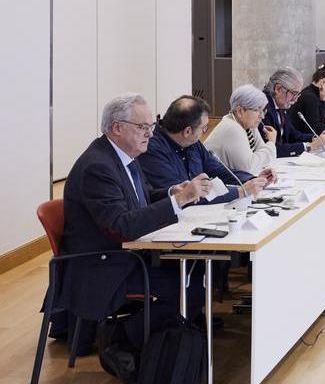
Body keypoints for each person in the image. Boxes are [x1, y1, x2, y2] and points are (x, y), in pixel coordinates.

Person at [59, 93, 207, 350]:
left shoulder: (124, 155)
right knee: (192, 286)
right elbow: (121, 226)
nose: (150, 133)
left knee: (197, 272)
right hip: (103, 264)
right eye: (142, 127)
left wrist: (172, 192)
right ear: (117, 127)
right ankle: (121, 338)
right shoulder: (98, 166)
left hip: (127, 254)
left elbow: (143, 197)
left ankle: (163, 338)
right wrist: (179, 201)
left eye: (151, 126)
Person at [141, 95, 273, 203]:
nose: (205, 132)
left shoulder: (192, 142)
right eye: (204, 128)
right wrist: (240, 191)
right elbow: (187, 197)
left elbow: (217, 169)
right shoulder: (152, 150)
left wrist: (252, 180)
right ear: (187, 131)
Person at [206, 84, 278, 177]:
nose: (262, 116)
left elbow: (264, 157)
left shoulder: (248, 125)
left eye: (263, 110)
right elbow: (249, 168)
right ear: (240, 111)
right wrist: (271, 143)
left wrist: (263, 154)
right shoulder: (232, 128)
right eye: (257, 110)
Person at [263, 67, 325, 157]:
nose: (296, 100)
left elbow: (293, 135)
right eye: (294, 93)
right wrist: (308, 146)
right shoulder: (263, 109)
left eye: (298, 94)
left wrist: (316, 138)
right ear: (278, 89)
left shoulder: (280, 105)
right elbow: (274, 149)